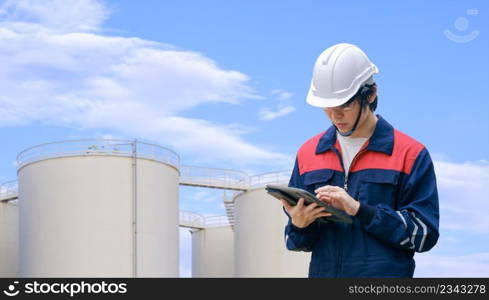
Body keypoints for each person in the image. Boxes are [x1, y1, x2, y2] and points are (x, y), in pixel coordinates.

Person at [281, 43, 439, 277]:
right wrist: (299, 225)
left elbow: (424, 235)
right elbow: (296, 242)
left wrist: (359, 210)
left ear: (371, 94)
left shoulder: (410, 154)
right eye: (327, 106)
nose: (335, 116)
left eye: (345, 105)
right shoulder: (308, 153)